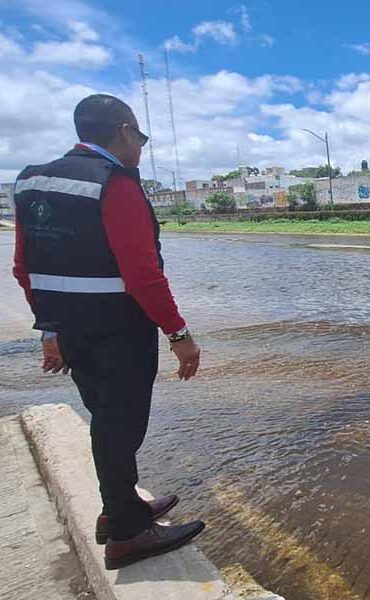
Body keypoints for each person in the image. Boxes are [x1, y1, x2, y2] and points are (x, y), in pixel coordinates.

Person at [12, 94, 205, 570]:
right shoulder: (115, 183)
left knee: (106, 420)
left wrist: (49, 330)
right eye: (139, 136)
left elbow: (24, 268)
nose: (140, 147)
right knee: (122, 425)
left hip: (71, 331)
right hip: (119, 328)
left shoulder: (31, 181)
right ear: (122, 131)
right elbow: (142, 275)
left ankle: (122, 507)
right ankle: (126, 532)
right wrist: (179, 335)